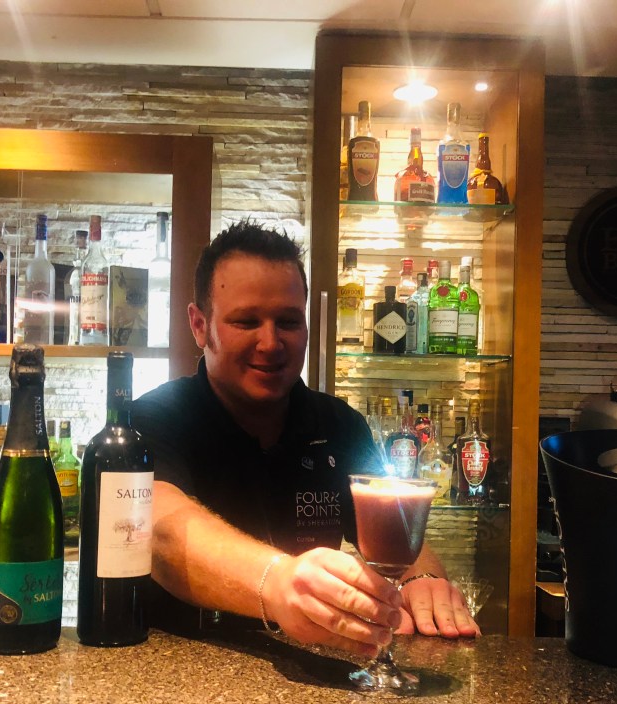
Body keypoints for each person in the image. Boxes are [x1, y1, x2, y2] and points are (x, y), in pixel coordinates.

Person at [132, 221, 478, 659]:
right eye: (246, 321)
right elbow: (159, 534)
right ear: (199, 326)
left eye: (289, 322)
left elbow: (397, 531)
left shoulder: (339, 425)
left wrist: (423, 581)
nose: (270, 342)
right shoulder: (154, 419)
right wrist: (279, 582)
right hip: (172, 670)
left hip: (310, 669)